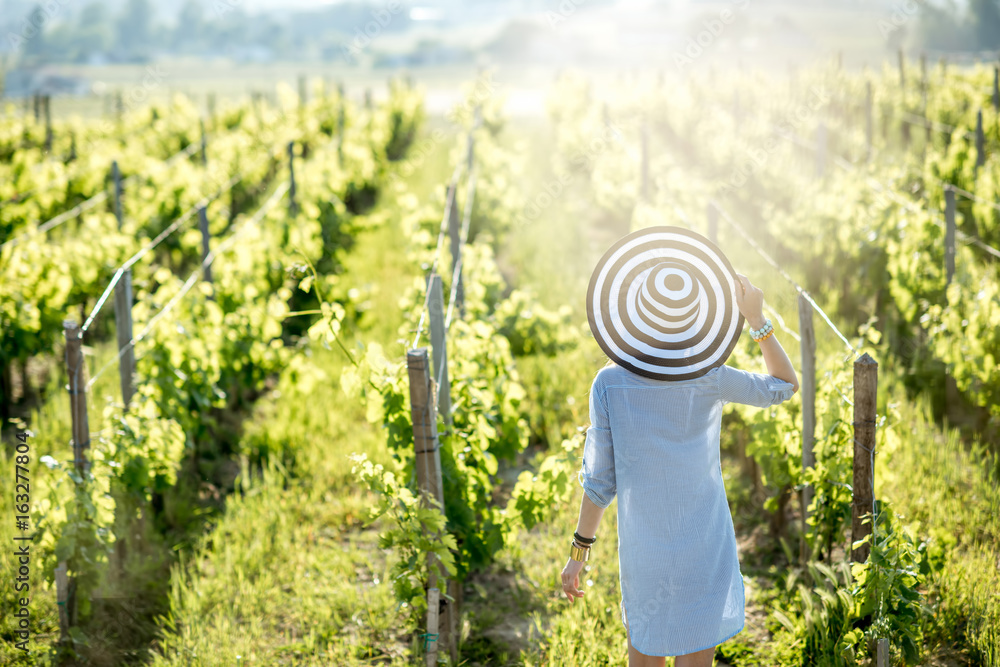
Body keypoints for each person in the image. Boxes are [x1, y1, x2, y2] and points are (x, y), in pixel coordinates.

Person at [562, 272, 799, 667]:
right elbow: (785, 385)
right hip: (705, 545)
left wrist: (579, 552)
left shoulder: (609, 383)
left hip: (645, 554)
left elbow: (600, 482)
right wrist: (756, 320)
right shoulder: (710, 376)